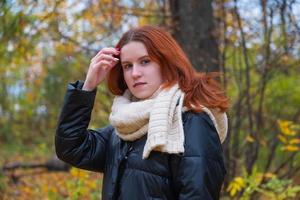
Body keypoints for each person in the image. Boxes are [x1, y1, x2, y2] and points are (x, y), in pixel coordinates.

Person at [55, 25, 229, 200]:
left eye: (145, 61)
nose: (135, 73)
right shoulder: (124, 127)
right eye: (127, 66)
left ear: (167, 62)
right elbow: (72, 147)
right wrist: (88, 86)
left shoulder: (192, 120)